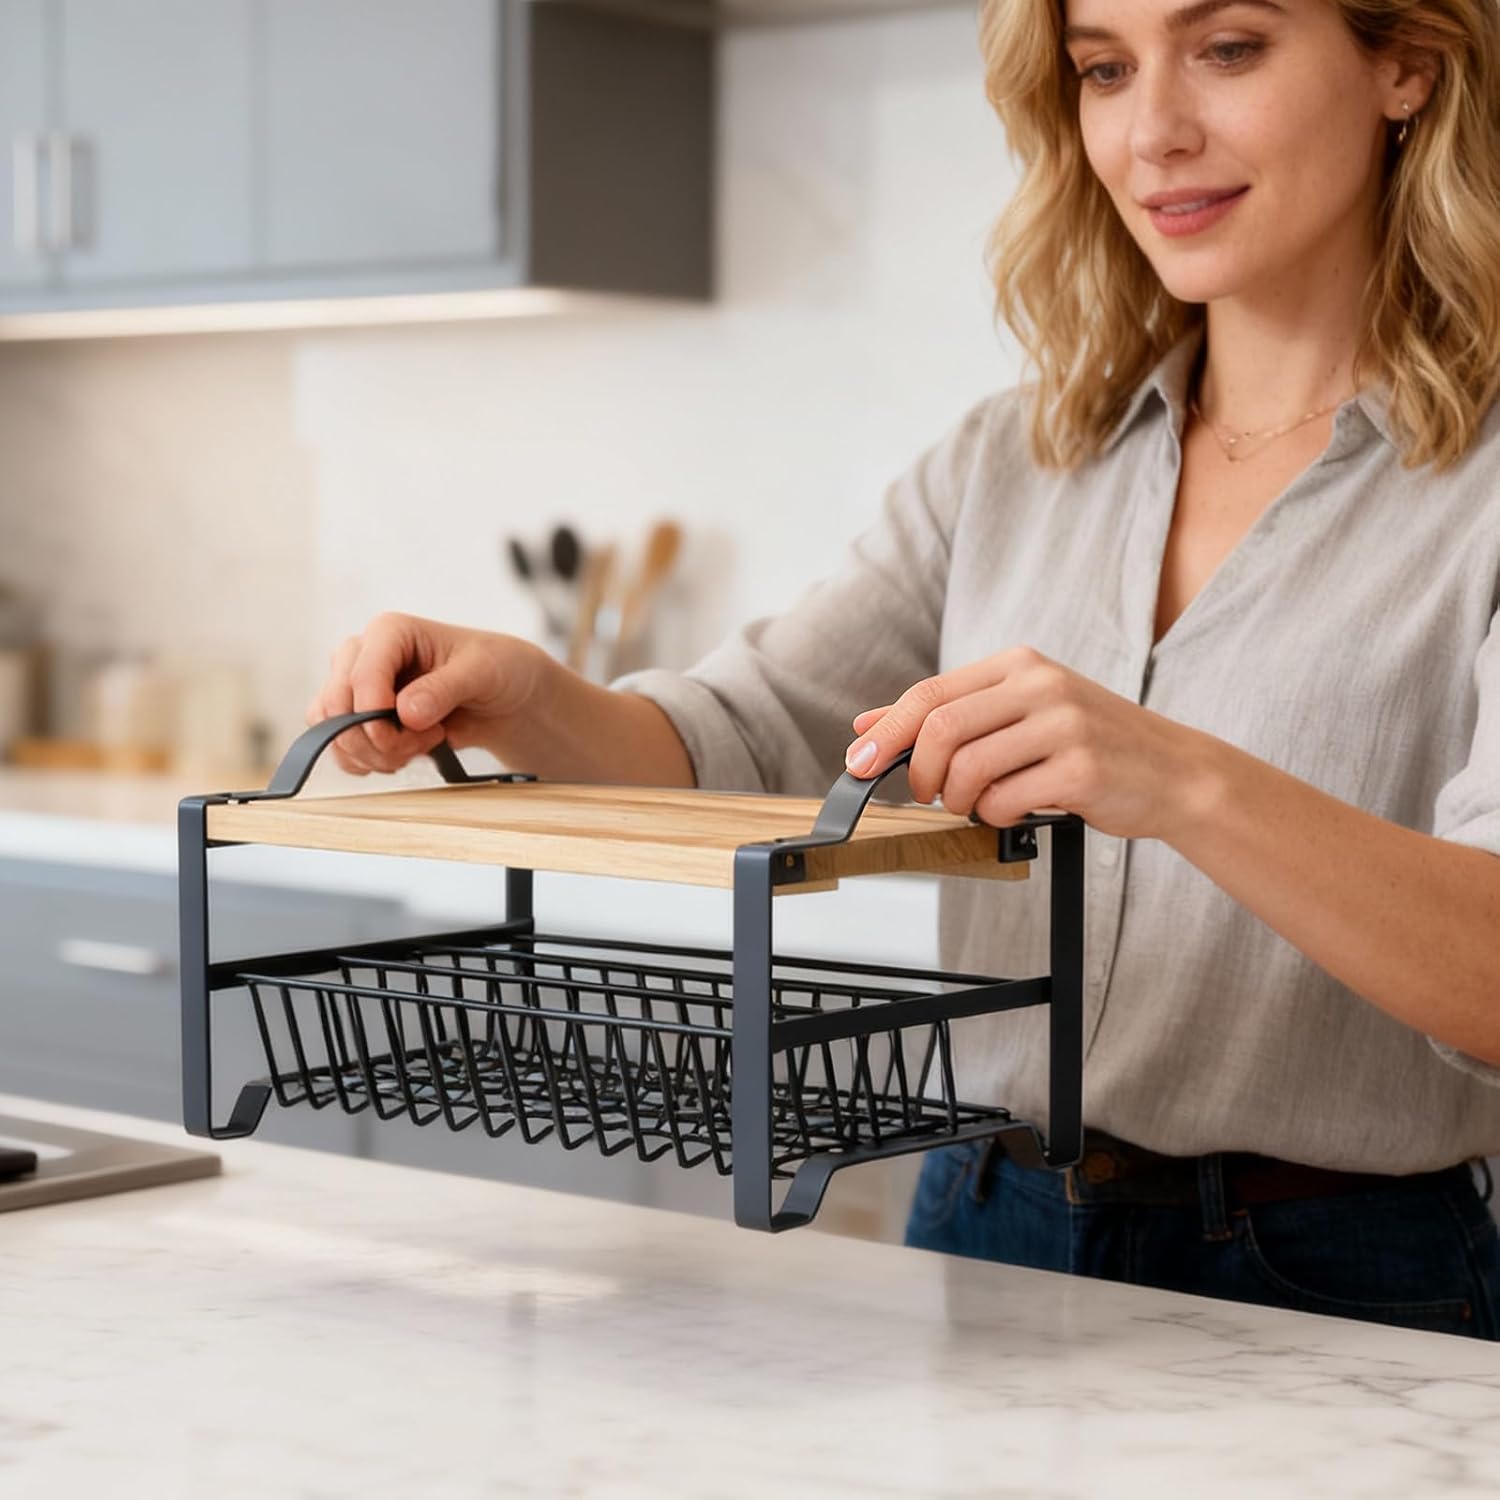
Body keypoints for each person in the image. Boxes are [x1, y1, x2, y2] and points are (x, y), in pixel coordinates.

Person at [308, 0, 1500, 1338]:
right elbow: (742, 736)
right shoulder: (1015, 458)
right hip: (982, 1220)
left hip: (1345, 1274)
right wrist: (535, 698)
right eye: (1103, 70)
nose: (1153, 130)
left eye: (1228, 49)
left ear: (1406, 63)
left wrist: (1186, 783)